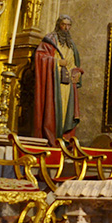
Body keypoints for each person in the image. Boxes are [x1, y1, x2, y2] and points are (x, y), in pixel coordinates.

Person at [34, 15, 84, 146]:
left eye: (69, 25)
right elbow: (40, 56)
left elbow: (74, 64)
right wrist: (56, 62)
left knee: (68, 113)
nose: (66, 28)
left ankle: (64, 140)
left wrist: (77, 73)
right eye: (63, 25)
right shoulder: (50, 39)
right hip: (54, 84)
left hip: (68, 86)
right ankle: (52, 140)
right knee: (53, 110)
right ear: (58, 25)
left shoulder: (71, 44)